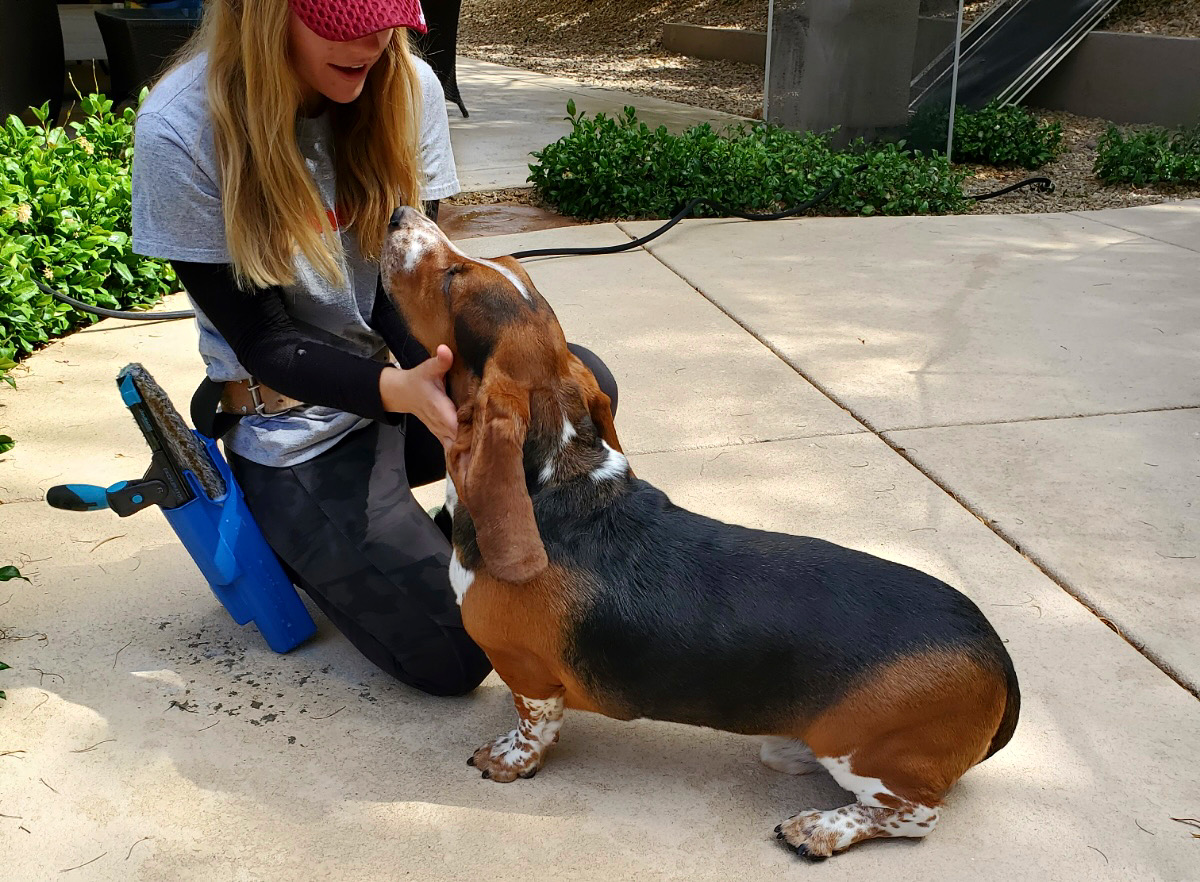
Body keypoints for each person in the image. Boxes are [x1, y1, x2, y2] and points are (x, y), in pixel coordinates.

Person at [130, 0, 618, 696]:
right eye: (341, 20)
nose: (373, 42)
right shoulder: (181, 128)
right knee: (457, 654)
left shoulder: (406, 85)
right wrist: (403, 392)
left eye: (387, 15)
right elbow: (264, 339)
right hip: (295, 423)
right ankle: (294, 529)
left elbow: (407, 293)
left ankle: (421, 539)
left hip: (392, 390)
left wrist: (442, 381)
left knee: (570, 390)